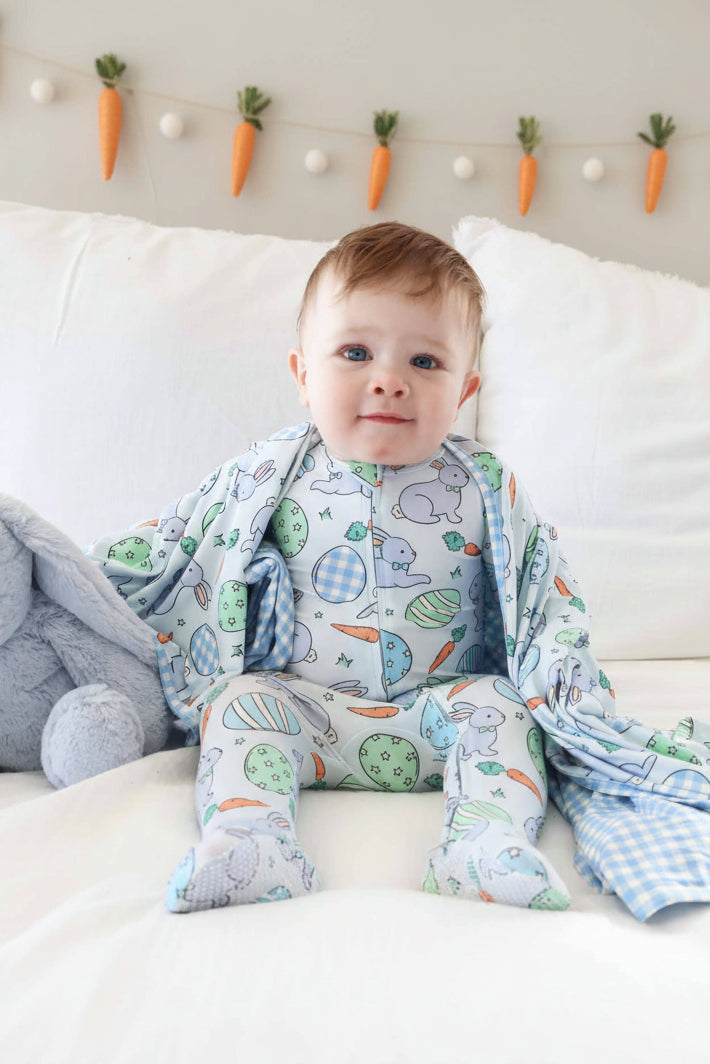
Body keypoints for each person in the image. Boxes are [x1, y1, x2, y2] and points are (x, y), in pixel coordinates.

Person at [157, 222, 571, 913]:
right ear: (303, 375)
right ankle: (252, 843)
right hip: (308, 712)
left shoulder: (485, 486)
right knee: (239, 707)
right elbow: (181, 546)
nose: (389, 381)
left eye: (425, 363)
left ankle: (484, 844)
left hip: (438, 712)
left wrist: (561, 681)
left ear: (465, 390)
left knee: (504, 710)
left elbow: (545, 595)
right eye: (356, 352)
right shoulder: (272, 471)